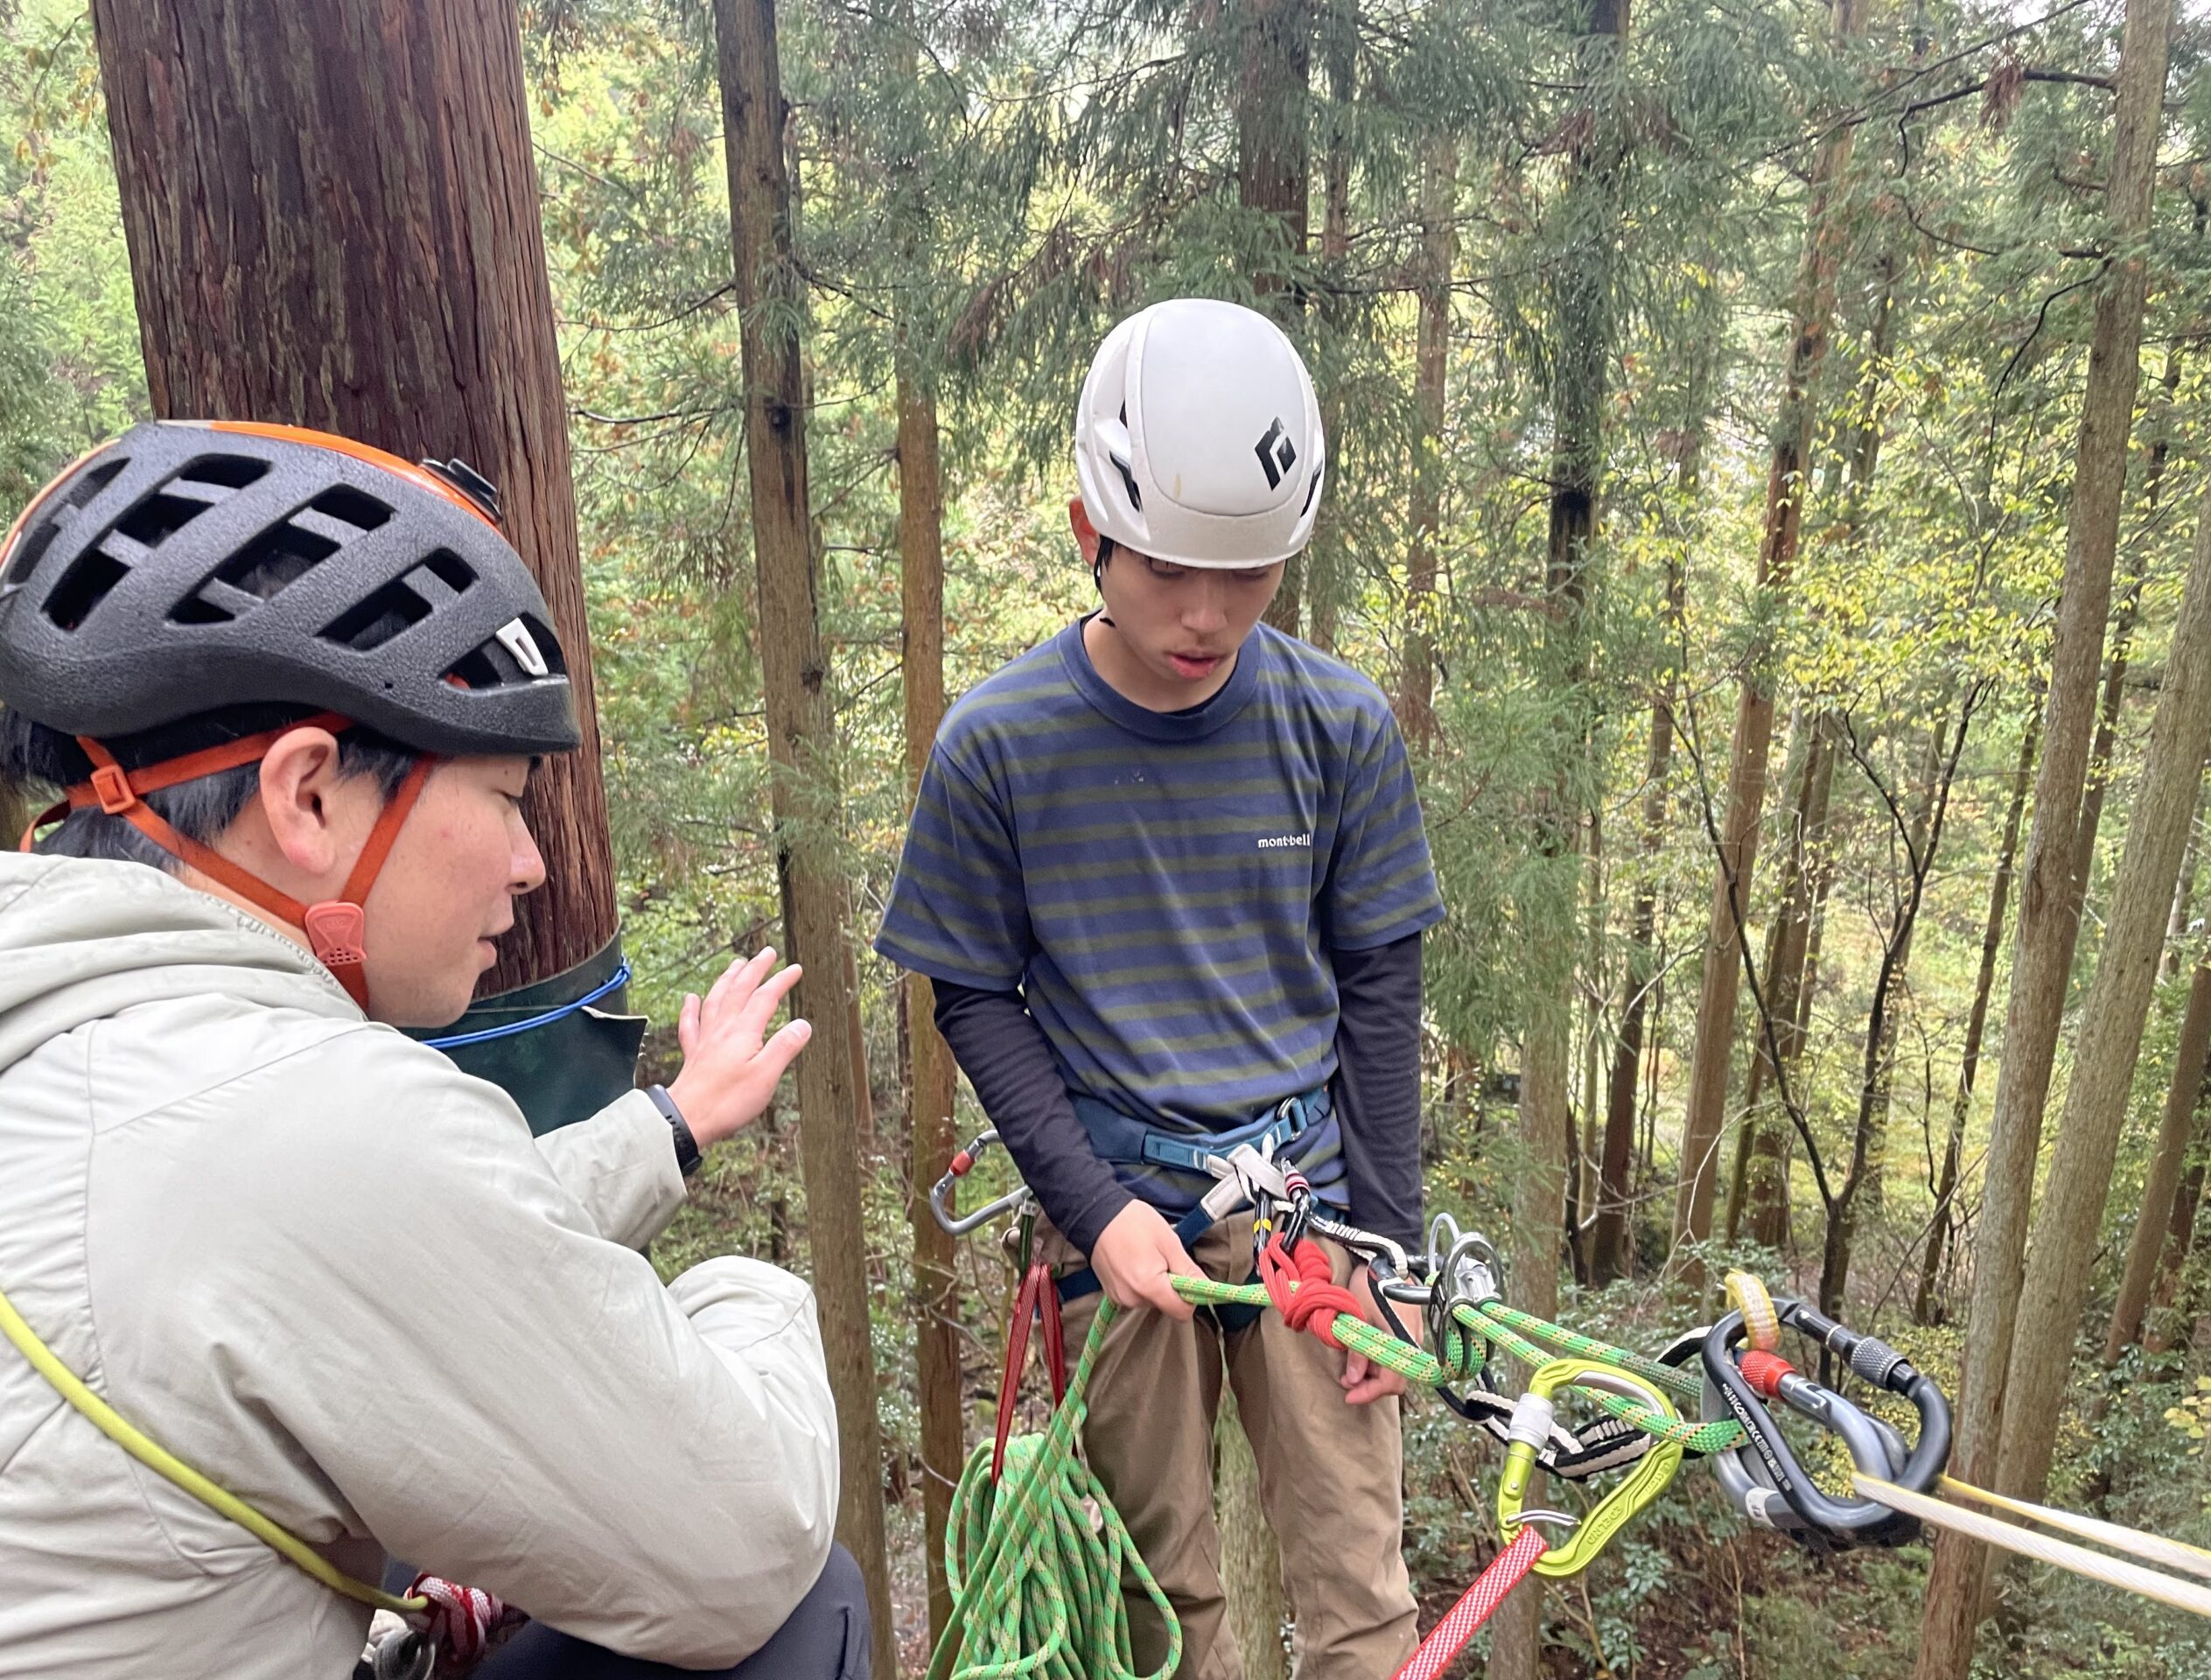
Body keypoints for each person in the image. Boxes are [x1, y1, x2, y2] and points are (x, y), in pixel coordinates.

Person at [0, 421, 866, 1680]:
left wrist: (670, 1124)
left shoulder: (86, 1031)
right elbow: (747, 1539)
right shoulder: (303, 1116)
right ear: (306, 796)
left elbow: (415, 1247)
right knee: (804, 1610)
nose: (533, 866)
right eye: (509, 802)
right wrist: (751, 1296)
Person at [878, 298, 1445, 1680]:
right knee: (1159, 1607)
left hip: (1308, 1207)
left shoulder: (1339, 727)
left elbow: (1378, 997)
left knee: (1363, 1596)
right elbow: (974, 997)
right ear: (1090, 535)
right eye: (1168, 571)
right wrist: (1095, 1211)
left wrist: (1394, 1254)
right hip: (1123, 1220)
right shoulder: (999, 747)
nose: (1206, 618)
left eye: (1247, 579)